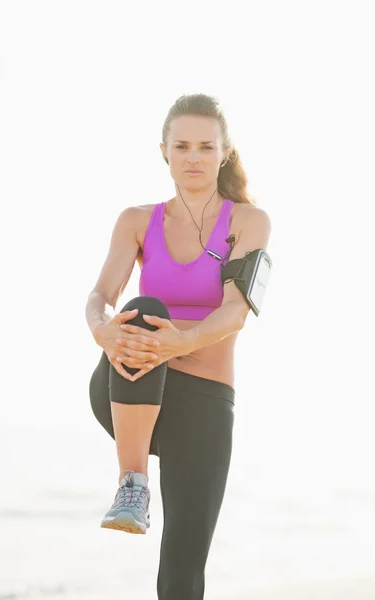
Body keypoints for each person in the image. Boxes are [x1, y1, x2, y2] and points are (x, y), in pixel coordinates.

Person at [85, 93, 272, 600]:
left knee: (185, 563)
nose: (193, 157)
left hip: (206, 400)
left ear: (224, 152)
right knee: (145, 307)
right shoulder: (136, 220)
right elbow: (101, 297)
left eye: (205, 147)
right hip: (129, 390)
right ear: (163, 151)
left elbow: (236, 312)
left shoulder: (247, 223)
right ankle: (133, 483)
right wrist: (100, 327)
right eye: (182, 146)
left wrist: (182, 343)